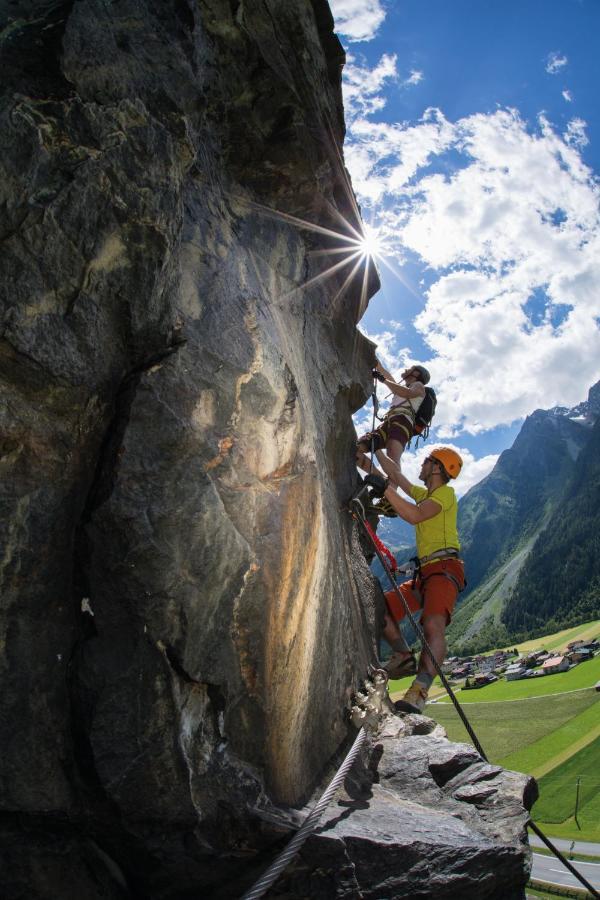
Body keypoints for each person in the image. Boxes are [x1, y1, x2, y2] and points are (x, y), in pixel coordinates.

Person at [368, 447, 465, 714]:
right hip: (427, 573)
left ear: (437, 468)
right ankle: (402, 655)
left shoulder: (445, 494)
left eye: (426, 461)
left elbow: (414, 516)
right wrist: (369, 456)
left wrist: (384, 488)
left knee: (433, 625)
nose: (421, 465)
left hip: (444, 569)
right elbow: (396, 476)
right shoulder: (427, 495)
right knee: (382, 609)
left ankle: (419, 690)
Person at [356, 361, 430, 480]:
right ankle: (383, 482)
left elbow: (407, 393)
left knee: (392, 456)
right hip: (389, 422)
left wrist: (383, 380)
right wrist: (374, 362)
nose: (406, 370)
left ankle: (390, 493)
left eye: (410, 369)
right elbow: (385, 373)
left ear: (416, 373)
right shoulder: (399, 388)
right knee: (359, 447)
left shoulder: (419, 385)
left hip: (403, 422)